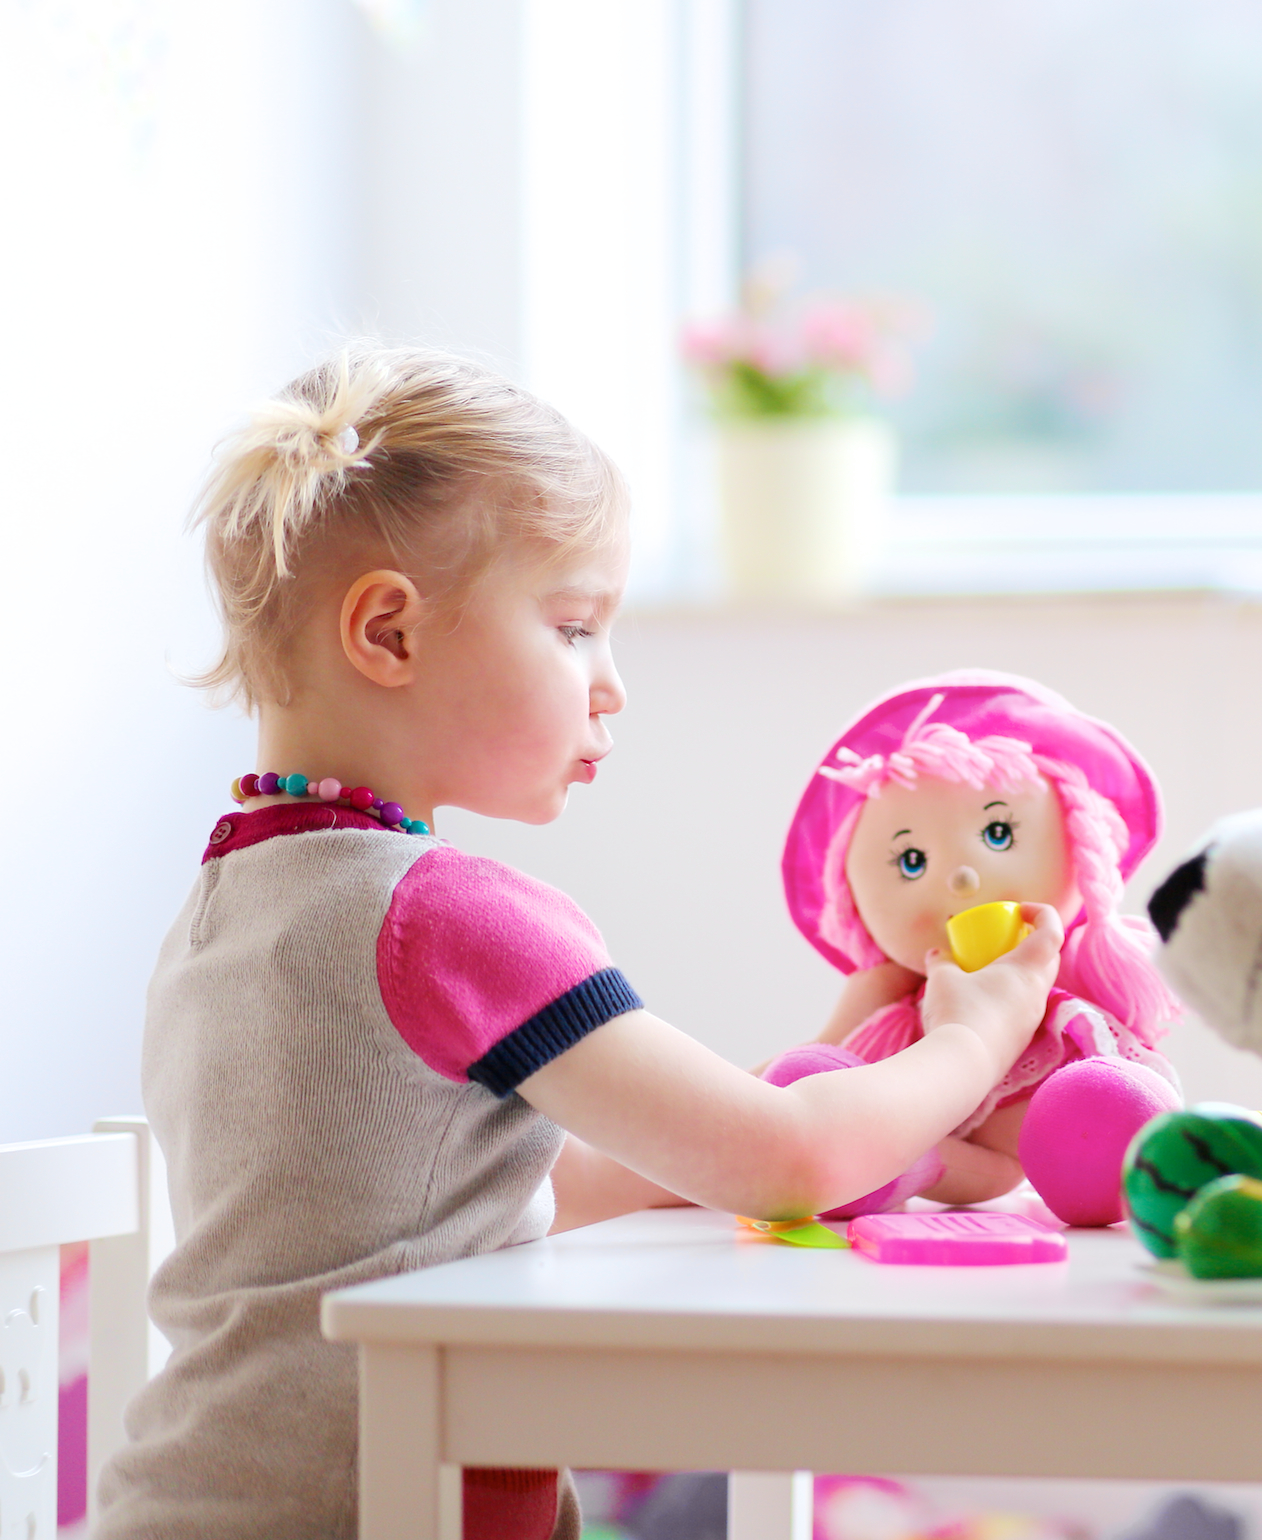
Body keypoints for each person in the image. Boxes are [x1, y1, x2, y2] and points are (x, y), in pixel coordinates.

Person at [94, 345, 1059, 1540]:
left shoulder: (234, 899)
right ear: (388, 632)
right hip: (359, 1508)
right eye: (574, 627)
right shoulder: (443, 915)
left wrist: (793, 1088)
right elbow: (791, 1162)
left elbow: (517, 1189)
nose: (611, 687)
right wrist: (978, 1036)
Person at [772, 672, 1183, 1211]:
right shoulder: (892, 991)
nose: (962, 879)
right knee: (813, 1085)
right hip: (961, 1155)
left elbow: (1142, 1003)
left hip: (1070, 1123)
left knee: (1107, 1099)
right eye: (911, 861)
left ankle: (1106, 1155)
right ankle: (890, 1167)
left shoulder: (1070, 961)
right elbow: (820, 1058)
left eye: (998, 834)